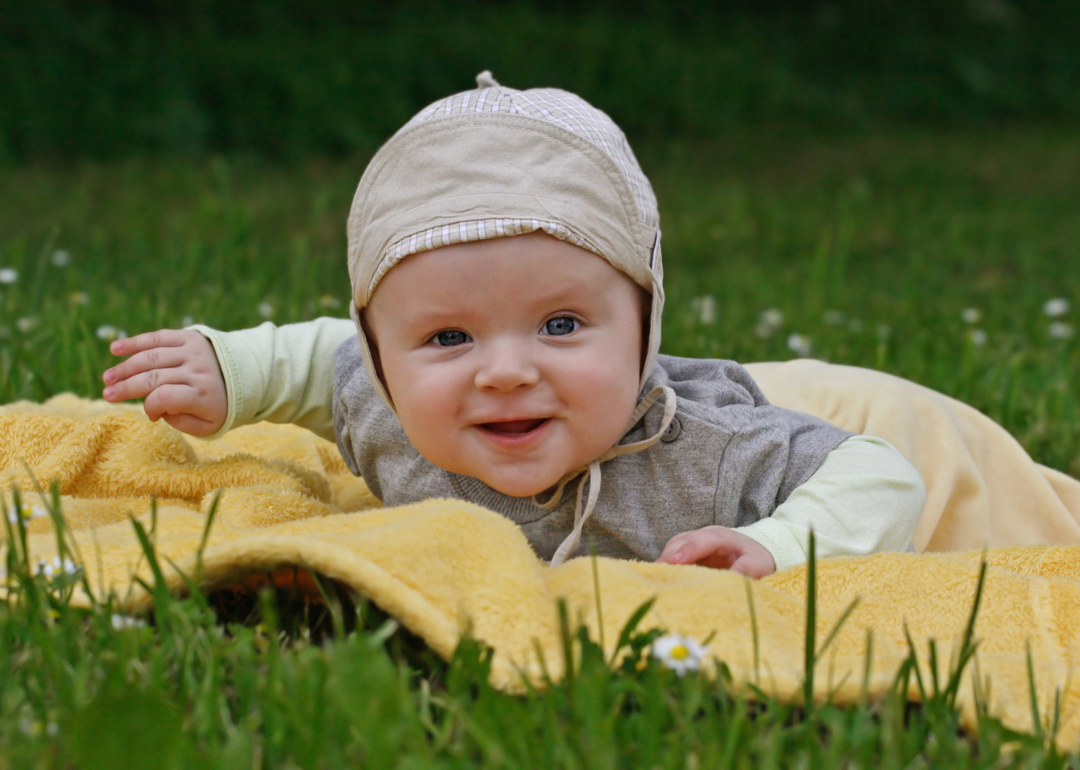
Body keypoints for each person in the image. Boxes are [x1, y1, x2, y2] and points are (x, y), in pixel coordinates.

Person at [100, 73, 926, 576]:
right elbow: (328, 359)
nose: (503, 371)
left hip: (822, 401)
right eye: (450, 338)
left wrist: (780, 545)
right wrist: (233, 372)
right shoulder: (379, 402)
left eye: (561, 324)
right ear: (387, 362)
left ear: (644, 325)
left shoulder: (706, 457)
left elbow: (883, 475)